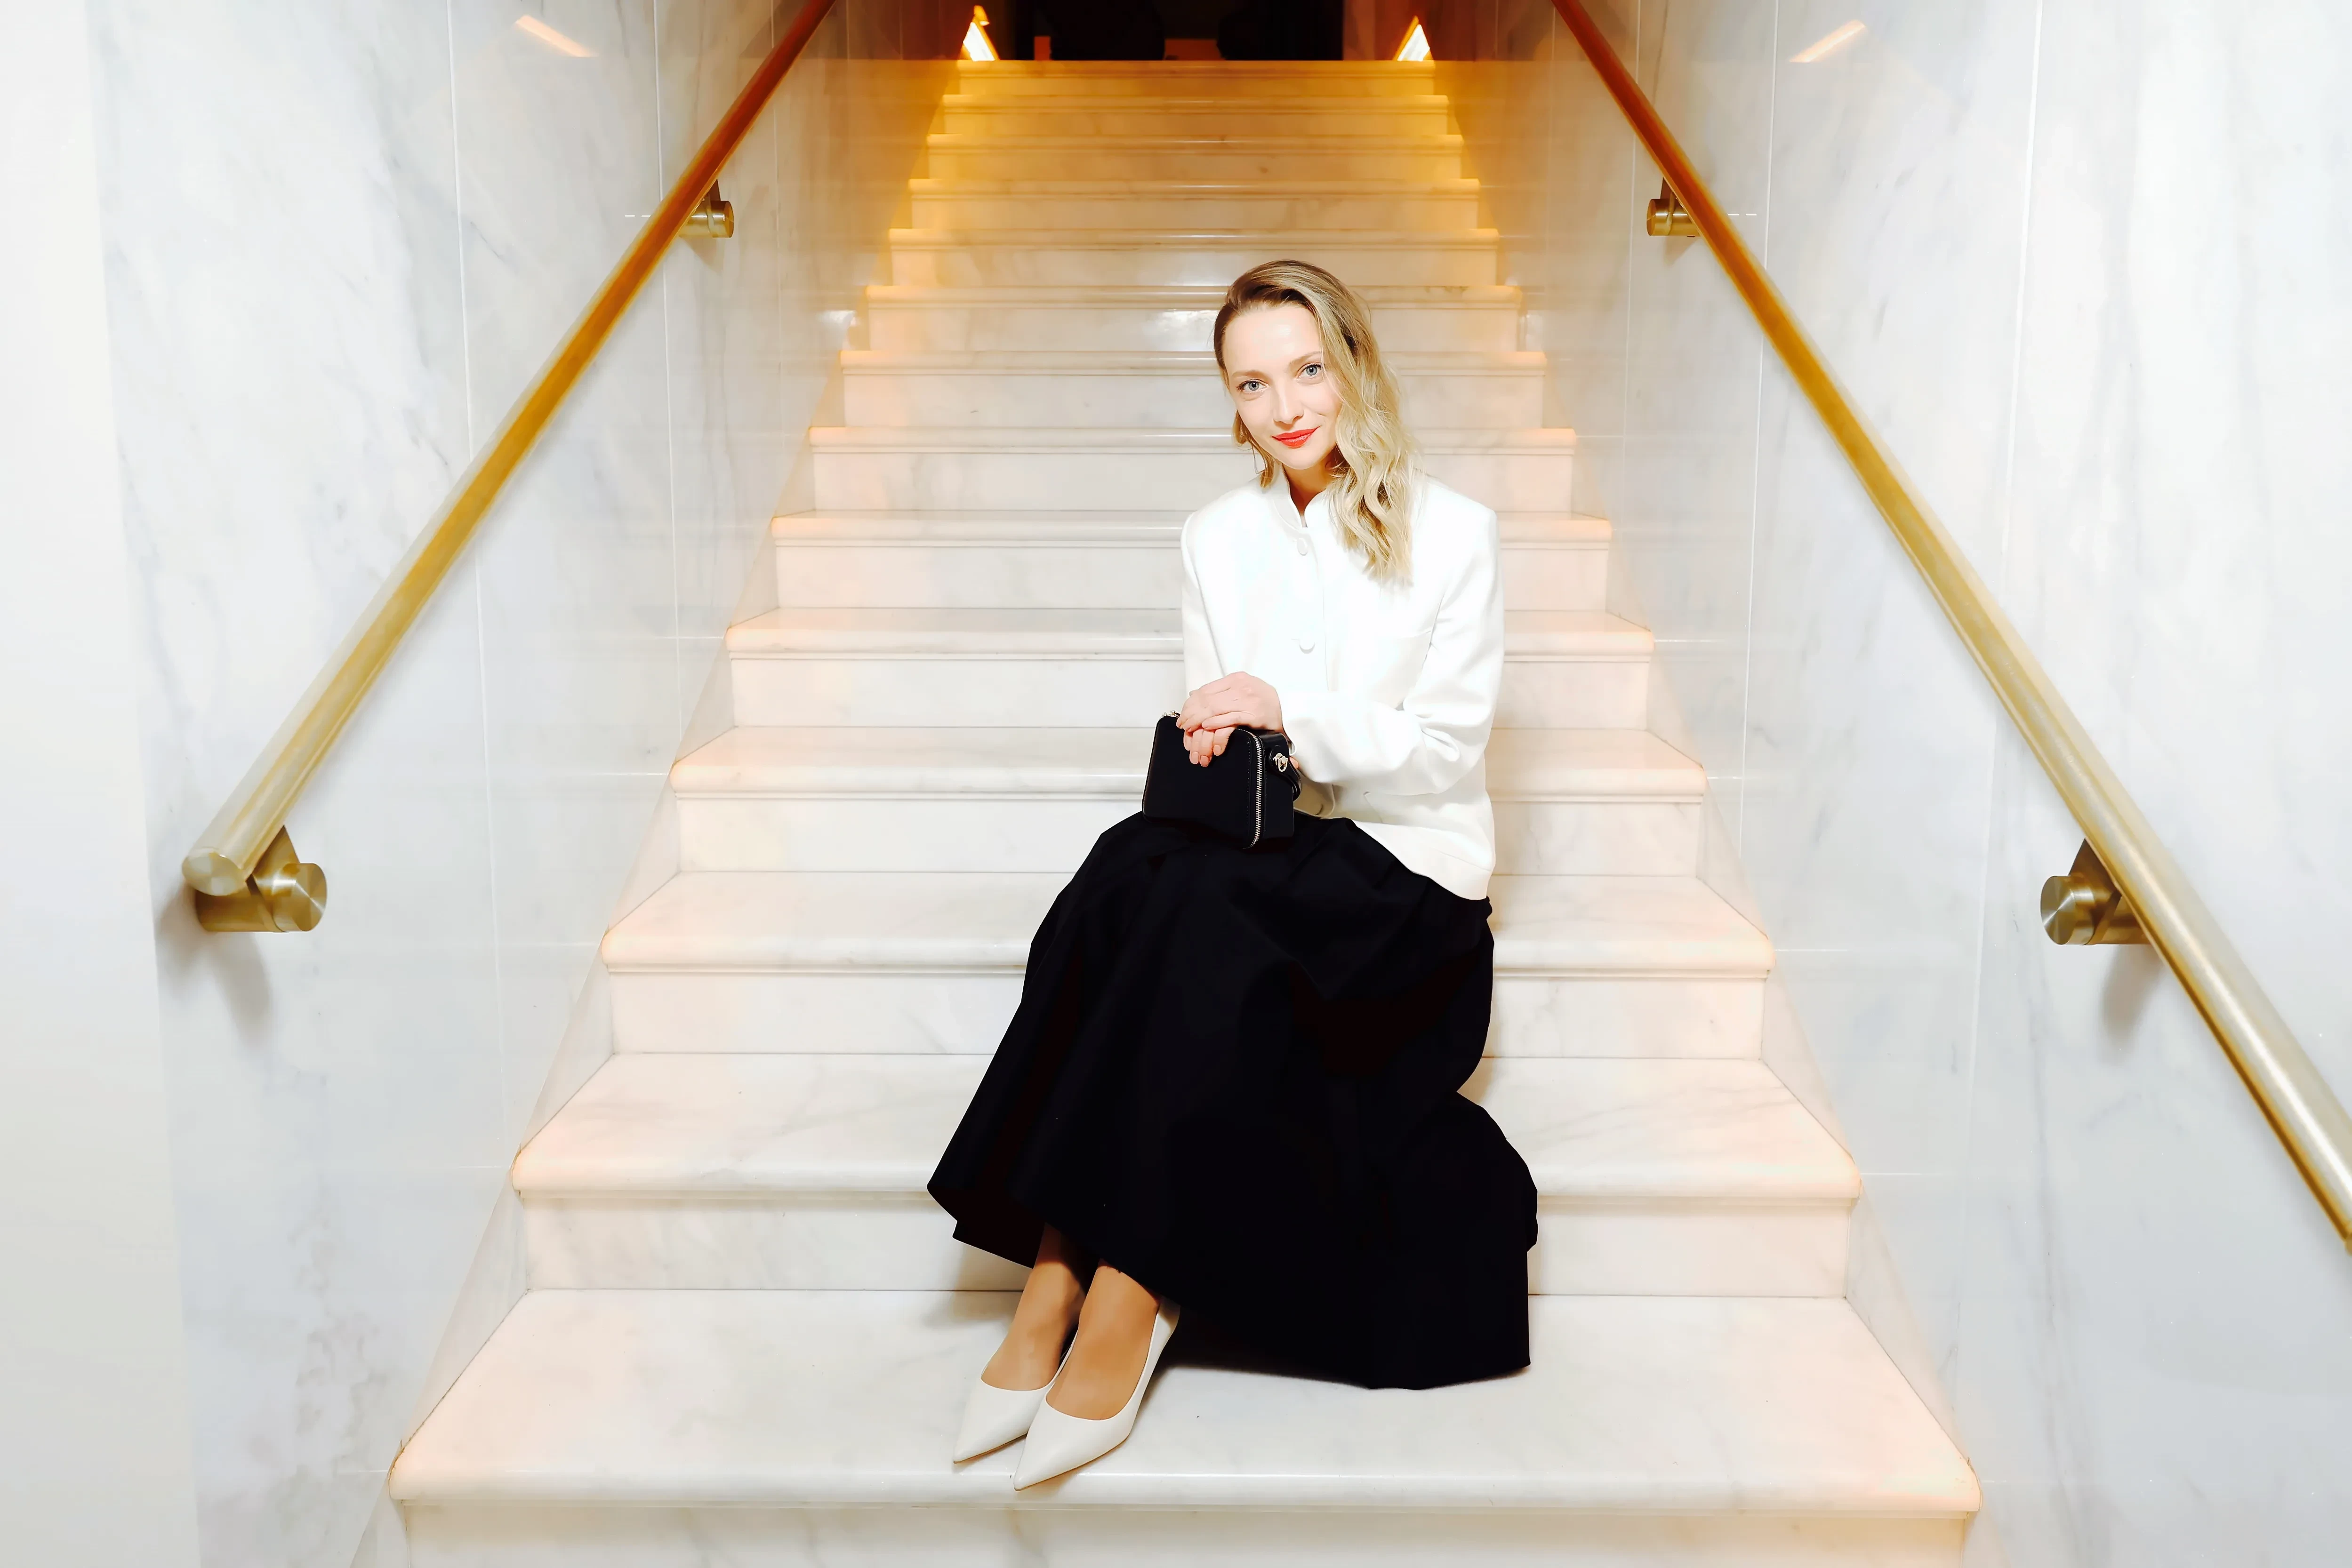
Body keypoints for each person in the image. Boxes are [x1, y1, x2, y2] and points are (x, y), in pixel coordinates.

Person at [928, 261, 1535, 1488]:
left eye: (1307, 370)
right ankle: (1054, 1269)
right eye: (1252, 384)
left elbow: (1443, 749)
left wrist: (1287, 709)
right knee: (1123, 873)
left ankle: (1126, 1289)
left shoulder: (1455, 531)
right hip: (1283, 841)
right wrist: (1218, 730)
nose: (1285, 407)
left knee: (1204, 917)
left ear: (1354, 366)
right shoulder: (1215, 536)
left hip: (1411, 875)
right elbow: (1228, 735)